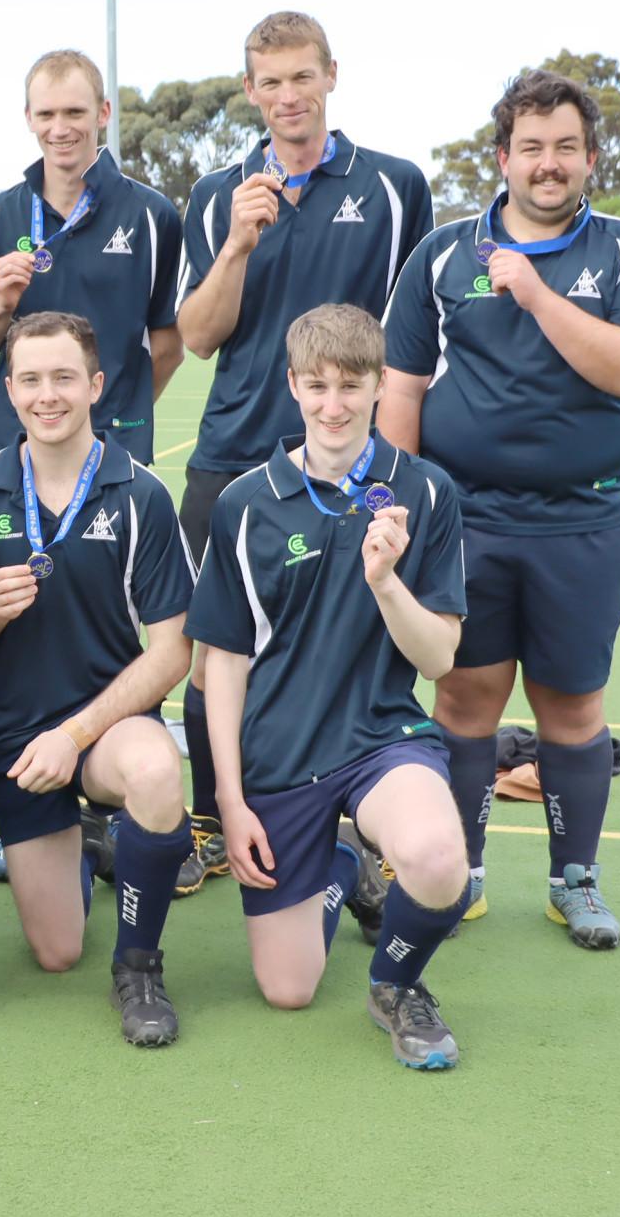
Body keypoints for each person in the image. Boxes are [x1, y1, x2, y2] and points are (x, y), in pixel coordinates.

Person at [380, 69, 620, 948]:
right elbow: (400, 390)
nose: (549, 164)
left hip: (582, 522)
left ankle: (573, 879)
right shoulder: (439, 255)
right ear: (503, 157)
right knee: (465, 702)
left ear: (589, 158)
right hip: (466, 521)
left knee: (572, 711)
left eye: (566, 147)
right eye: (532, 147)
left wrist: (538, 292)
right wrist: (405, 510)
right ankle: (461, 872)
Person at [173, 11, 433, 906]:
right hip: (234, 455)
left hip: (351, 456)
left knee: (352, 644)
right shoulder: (215, 193)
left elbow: (409, 342)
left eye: (302, 77)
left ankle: (355, 824)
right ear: (249, 91)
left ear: (331, 76)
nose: (288, 96)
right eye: (270, 81)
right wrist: (239, 242)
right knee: (212, 656)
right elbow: (198, 335)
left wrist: (398, 461)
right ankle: (214, 822)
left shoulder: (396, 185)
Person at [184, 303, 472, 1070]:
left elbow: (440, 657)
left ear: (381, 385)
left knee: (441, 858)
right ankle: (345, 863)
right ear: (293, 386)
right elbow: (223, 662)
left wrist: (385, 583)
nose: (334, 405)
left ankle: (396, 984)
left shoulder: (427, 491)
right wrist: (230, 800)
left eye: (351, 385)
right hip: (280, 753)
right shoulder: (246, 504)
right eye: (317, 386)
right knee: (288, 986)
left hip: (380, 737)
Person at [0, 312, 195, 1045]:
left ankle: (139, 965)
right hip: (18, 740)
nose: (47, 394)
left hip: (103, 728)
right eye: (30, 378)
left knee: (156, 772)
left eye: (64, 377)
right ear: (9, 387)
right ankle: (90, 836)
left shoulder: (141, 493)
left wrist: (76, 732)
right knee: (57, 951)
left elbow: (171, 653)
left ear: (95, 384)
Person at [0, 51, 185, 465]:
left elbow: (167, 347)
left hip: (115, 452)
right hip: (11, 452)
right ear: (29, 118)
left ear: (103, 112)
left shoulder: (152, 215)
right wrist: (2, 306)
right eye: (47, 114)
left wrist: (117, 414)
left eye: (75, 111)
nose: (60, 128)